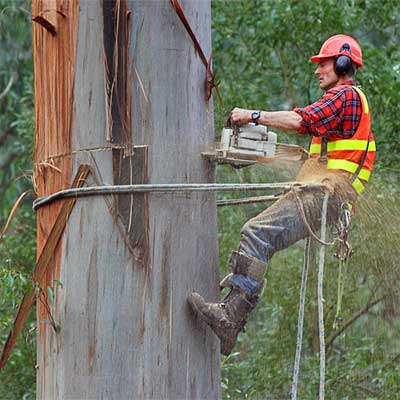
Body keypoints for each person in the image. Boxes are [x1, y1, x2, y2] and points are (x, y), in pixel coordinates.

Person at [188, 34, 376, 356]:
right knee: (263, 239)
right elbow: (315, 150)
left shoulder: (345, 96)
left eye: (324, 64)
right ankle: (233, 313)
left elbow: (302, 120)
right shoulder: (346, 106)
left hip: (325, 196)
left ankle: (230, 317)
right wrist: (249, 155)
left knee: (257, 233)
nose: (317, 71)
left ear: (343, 63)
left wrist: (253, 116)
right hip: (326, 197)